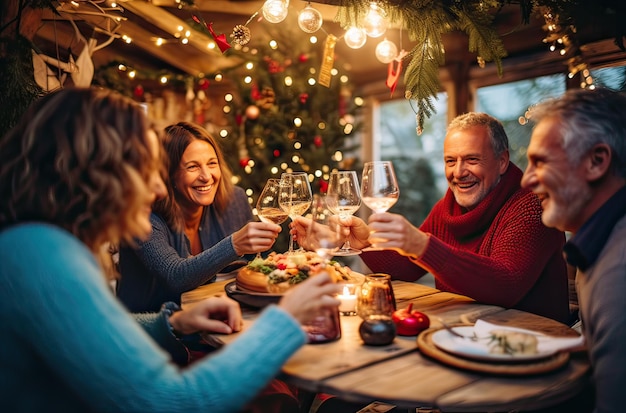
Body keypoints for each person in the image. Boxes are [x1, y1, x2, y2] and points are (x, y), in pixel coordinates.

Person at [0, 87, 342, 412]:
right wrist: (284, 320)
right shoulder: (45, 257)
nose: (157, 189)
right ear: (95, 172)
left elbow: (88, 333)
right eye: (146, 170)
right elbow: (171, 403)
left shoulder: (38, 244)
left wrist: (174, 323)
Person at [297, 112, 570, 323]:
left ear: (501, 161)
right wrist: (363, 242)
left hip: (530, 348)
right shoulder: (448, 207)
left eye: (472, 159)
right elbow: (408, 268)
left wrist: (422, 245)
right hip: (464, 336)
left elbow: (506, 285)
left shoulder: (532, 207)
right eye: (450, 161)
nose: (458, 172)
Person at [521, 87, 626, 413]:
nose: (526, 180)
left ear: (596, 162)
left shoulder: (618, 272)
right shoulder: (599, 241)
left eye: (540, 162)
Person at [117, 121, 281, 312]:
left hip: (218, 318)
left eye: (212, 164)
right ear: (169, 175)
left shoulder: (234, 200)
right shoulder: (143, 216)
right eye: (192, 167)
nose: (206, 176)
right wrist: (234, 244)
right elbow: (175, 276)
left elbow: (262, 259)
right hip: (154, 332)